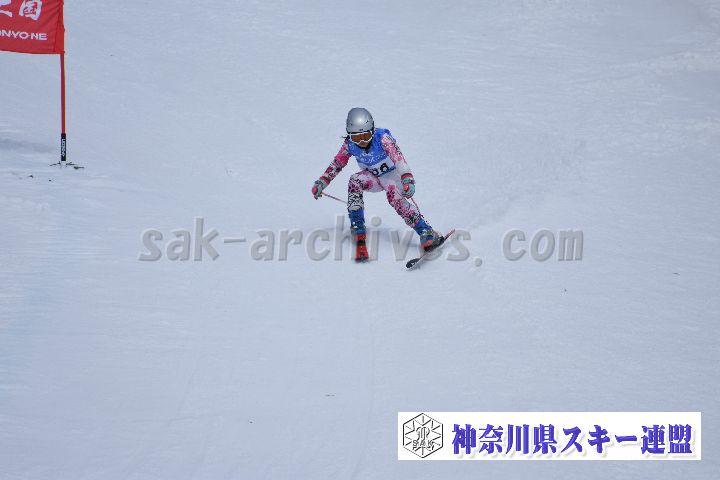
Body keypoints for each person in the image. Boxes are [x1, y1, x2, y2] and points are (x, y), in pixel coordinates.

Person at [312, 107, 442, 261]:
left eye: (366, 136)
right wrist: (322, 182)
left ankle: (425, 231)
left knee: (393, 196)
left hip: (392, 177)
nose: (362, 142)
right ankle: (358, 228)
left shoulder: (382, 138)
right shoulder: (349, 144)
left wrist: (407, 178)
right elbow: (337, 164)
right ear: (349, 135)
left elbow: (398, 158)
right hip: (373, 177)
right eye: (356, 137)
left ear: (372, 131)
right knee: (355, 180)